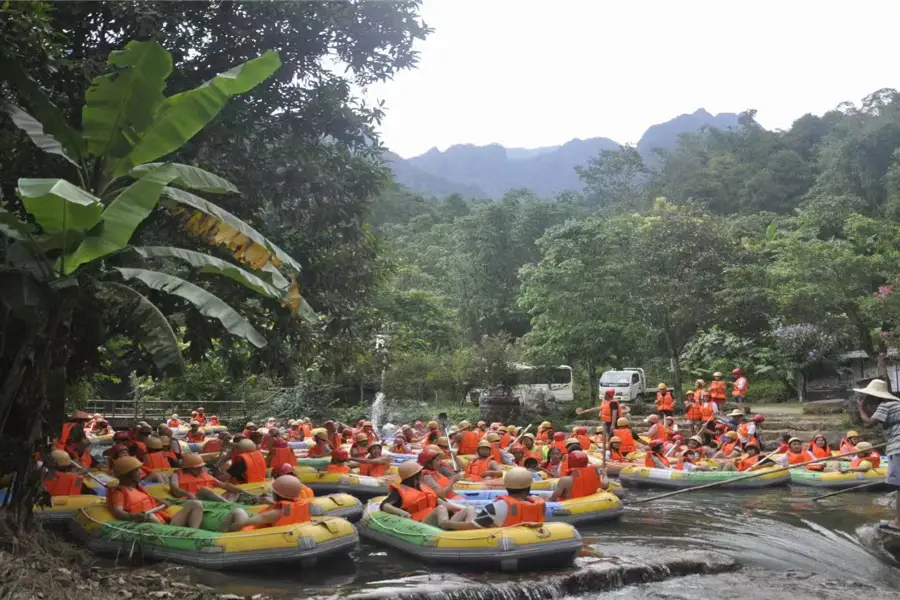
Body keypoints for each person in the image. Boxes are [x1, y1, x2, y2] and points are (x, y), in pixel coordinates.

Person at [107, 456, 204, 527]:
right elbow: (118, 512)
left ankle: (193, 532)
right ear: (127, 474)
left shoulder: (138, 487)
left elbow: (148, 500)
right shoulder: (119, 492)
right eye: (137, 470)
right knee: (150, 516)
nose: (141, 472)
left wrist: (159, 502)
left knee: (196, 504)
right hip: (151, 526)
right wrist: (134, 517)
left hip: (163, 522)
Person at [855, 378, 900, 527]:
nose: (867, 399)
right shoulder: (897, 405)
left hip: (898, 448)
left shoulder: (885, 405)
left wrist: (861, 408)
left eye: (869, 396)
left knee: (899, 486)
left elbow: (868, 423)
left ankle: (898, 522)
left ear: (876, 396)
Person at [380, 461, 477, 530]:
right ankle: (449, 529)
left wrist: (464, 508)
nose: (423, 473)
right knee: (441, 509)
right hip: (420, 525)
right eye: (420, 472)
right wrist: (403, 513)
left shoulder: (424, 488)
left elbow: (446, 504)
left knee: (469, 509)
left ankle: (470, 530)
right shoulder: (399, 491)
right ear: (416, 475)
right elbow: (384, 505)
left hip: (438, 522)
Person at [221, 475, 312, 532]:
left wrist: (238, 512)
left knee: (238, 513)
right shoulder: (301, 505)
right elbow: (289, 511)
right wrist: (272, 503)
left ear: (276, 494)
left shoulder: (273, 514)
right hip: (292, 533)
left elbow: (243, 522)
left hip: (266, 540)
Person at [474, 467, 546, 527]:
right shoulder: (542, 505)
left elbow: (471, 527)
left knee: (469, 511)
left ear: (506, 487)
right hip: (529, 540)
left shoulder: (493, 508)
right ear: (528, 487)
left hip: (503, 540)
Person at [169, 453, 245, 502]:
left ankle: (226, 504)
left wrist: (240, 490)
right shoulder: (176, 475)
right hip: (192, 499)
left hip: (210, 499)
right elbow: (175, 489)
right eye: (198, 467)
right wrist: (188, 494)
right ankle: (228, 504)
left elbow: (223, 485)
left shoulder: (204, 473)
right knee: (204, 490)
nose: (201, 469)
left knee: (233, 491)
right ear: (189, 468)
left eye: (201, 466)